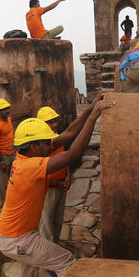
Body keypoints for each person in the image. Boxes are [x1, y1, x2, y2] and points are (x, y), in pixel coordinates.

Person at [0, 97, 116, 277]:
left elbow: (69, 133)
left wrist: (89, 108)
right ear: (34, 145)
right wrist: (94, 116)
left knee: (29, 266)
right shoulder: (29, 166)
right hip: (18, 238)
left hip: (14, 234)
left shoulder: (27, 155)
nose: (50, 144)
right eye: (46, 142)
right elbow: (72, 155)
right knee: (66, 262)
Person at [37, 93, 106, 247]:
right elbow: (71, 134)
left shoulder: (53, 137)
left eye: (55, 121)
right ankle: (48, 257)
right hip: (48, 188)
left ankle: (54, 247)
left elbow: (64, 156)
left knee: (57, 221)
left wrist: (67, 175)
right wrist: (93, 113)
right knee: (46, 224)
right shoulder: (42, 145)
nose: (54, 125)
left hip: (61, 185)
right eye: (50, 122)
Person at [0, 98, 15, 206]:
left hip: (12, 153)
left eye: (7, 108)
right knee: (2, 184)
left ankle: (12, 202)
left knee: (12, 180)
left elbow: (15, 117)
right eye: (4, 109)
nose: (7, 110)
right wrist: (1, 162)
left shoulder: (8, 118)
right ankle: (4, 205)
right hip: (3, 156)